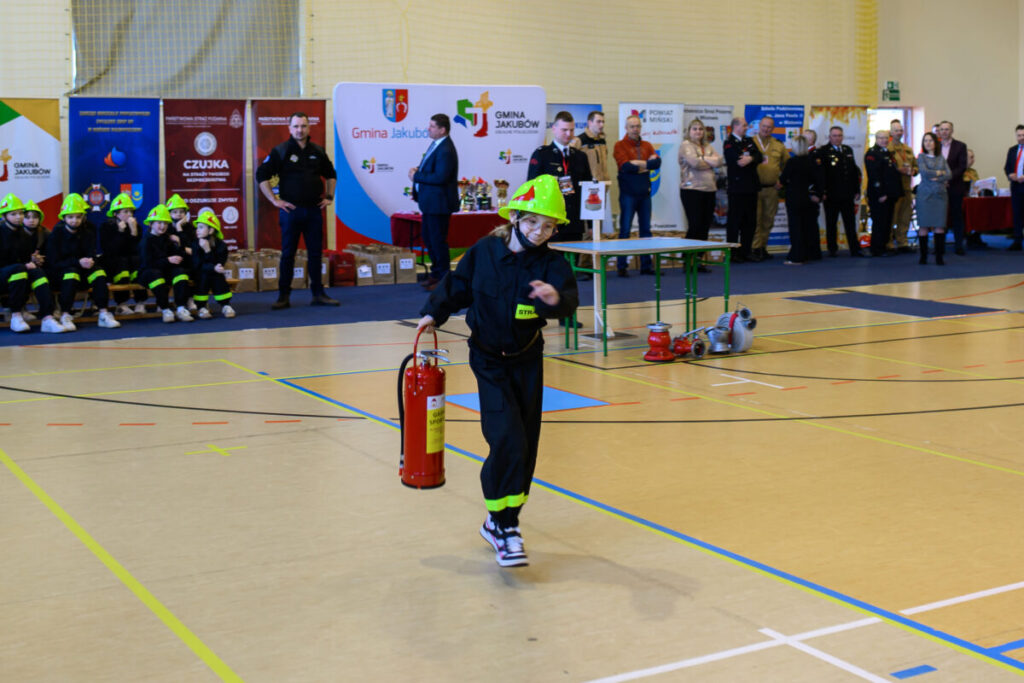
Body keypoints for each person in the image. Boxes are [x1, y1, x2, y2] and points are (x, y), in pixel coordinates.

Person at [415, 175, 578, 568]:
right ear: (517, 217)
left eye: (549, 226)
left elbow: (569, 300)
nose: (540, 232)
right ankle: (504, 529)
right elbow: (457, 286)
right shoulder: (485, 251)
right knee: (505, 437)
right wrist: (432, 314)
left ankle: (503, 521)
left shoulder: (552, 263)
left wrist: (555, 300)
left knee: (525, 445)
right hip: (488, 360)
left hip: (527, 359)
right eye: (533, 222)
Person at [256, 112, 339, 308]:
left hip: (313, 211)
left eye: (303, 126)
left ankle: (318, 294)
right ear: (289, 128)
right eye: (296, 126)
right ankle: (283, 296)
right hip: (290, 211)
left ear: (309, 128)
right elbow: (261, 175)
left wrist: (329, 197)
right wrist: (274, 200)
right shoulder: (281, 151)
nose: (299, 130)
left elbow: (331, 174)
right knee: (287, 254)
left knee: (316, 254)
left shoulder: (317, 151)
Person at [46, 193, 120, 330]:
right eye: (70, 217)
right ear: (64, 218)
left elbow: (91, 253)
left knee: (99, 273)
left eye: (78, 217)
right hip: (62, 273)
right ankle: (65, 315)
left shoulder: (88, 231)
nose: (75, 220)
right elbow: (54, 262)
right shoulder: (56, 234)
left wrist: (90, 261)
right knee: (71, 273)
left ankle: (103, 313)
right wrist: (77, 262)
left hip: (83, 269)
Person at [408, 113, 459, 292]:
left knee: (437, 240)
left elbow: (441, 176)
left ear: (442, 129)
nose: (428, 128)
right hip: (430, 203)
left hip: (439, 204)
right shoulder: (437, 145)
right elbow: (433, 170)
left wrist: (417, 176)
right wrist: (419, 170)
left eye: (432, 126)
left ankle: (443, 277)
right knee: (430, 239)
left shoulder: (446, 149)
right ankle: (436, 273)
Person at [0, 193, 64, 333]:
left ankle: (47, 317)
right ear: (4, 216)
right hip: (3, 275)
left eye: (20, 213)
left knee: (38, 273)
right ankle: (16, 315)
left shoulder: (23, 234)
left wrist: (34, 260)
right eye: (13, 214)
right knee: (19, 270)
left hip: (17, 272)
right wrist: (24, 265)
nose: (19, 217)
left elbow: (25, 258)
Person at [528, 111, 592, 241]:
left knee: (574, 260)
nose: (568, 134)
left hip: (574, 222)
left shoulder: (580, 156)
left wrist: (590, 224)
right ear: (554, 129)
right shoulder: (542, 155)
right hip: (550, 221)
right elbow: (532, 188)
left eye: (572, 130)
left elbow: (588, 190)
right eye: (564, 130)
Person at [613, 115, 661, 277]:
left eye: (638, 126)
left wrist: (639, 165)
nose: (635, 129)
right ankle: (621, 266)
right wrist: (646, 165)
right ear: (626, 128)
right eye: (632, 126)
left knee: (646, 231)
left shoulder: (647, 145)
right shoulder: (619, 145)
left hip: (644, 194)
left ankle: (646, 266)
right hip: (628, 194)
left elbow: (657, 164)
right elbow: (626, 167)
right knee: (625, 231)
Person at [678, 118, 723, 272]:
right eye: (695, 129)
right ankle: (687, 259)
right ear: (689, 131)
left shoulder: (707, 146)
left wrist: (703, 158)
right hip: (691, 190)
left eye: (700, 129)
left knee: (704, 227)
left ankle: (698, 260)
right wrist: (707, 161)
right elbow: (694, 163)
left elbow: (719, 161)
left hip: (709, 190)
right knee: (695, 225)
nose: (698, 131)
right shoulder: (686, 145)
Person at [139, 204, 194, 322]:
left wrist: (181, 246)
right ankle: (165, 309)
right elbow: (147, 263)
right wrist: (168, 260)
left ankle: (181, 308)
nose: (163, 226)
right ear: (151, 224)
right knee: (155, 275)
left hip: (165, 270)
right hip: (148, 273)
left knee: (181, 273)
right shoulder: (146, 241)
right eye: (159, 223)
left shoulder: (169, 239)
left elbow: (179, 254)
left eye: (165, 223)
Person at [816, 126, 863, 257]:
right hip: (831, 194)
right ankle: (832, 249)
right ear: (830, 137)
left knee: (850, 223)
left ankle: (855, 248)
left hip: (847, 194)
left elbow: (853, 171)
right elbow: (822, 174)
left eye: (840, 135)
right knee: (831, 223)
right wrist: (823, 192)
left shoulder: (848, 150)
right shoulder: (824, 151)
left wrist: (856, 189)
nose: (837, 138)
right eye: (835, 136)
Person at [723, 116, 763, 262]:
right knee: (735, 222)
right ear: (735, 126)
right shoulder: (729, 142)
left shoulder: (749, 141)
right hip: (737, 188)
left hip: (751, 187)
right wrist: (748, 159)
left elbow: (759, 156)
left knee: (750, 221)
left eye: (746, 125)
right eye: (744, 125)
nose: (746, 128)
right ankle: (733, 253)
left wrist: (751, 159)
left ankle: (746, 251)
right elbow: (736, 161)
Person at [99, 192, 145, 315]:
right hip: (112, 261)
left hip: (131, 259)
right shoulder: (106, 226)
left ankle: (140, 302)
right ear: (115, 214)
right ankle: (121, 304)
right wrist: (120, 232)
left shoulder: (136, 227)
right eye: (125, 211)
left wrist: (134, 232)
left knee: (138, 261)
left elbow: (137, 249)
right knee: (122, 263)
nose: (129, 214)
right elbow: (109, 250)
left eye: (131, 211)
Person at [778, 135, 821, 265]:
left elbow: (783, 180)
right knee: (808, 226)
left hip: (795, 198)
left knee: (796, 227)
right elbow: (819, 180)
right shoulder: (812, 161)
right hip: (808, 198)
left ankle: (796, 256)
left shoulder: (792, 162)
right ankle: (810, 253)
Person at [751, 116, 787, 261]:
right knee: (756, 219)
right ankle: (755, 248)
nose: (766, 129)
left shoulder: (778, 145)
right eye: (764, 126)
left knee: (768, 219)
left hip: (772, 189)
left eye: (769, 127)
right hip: (754, 189)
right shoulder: (750, 143)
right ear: (759, 126)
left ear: (773, 129)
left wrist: (782, 181)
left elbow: (787, 165)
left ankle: (763, 247)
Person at [190, 211, 236, 319]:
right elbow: (197, 265)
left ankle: (225, 305)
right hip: (199, 273)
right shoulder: (195, 244)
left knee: (216, 275)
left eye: (201, 227)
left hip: (215, 273)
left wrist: (207, 250)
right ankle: (201, 306)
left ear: (211, 230)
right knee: (204, 275)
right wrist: (212, 267)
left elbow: (219, 264)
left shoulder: (221, 245)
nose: (197, 230)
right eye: (197, 227)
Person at [864, 130, 903, 257]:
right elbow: (874, 176)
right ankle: (877, 248)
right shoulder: (872, 153)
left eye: (886, 138)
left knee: (887, 221)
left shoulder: (887, 152)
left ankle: (884, 245)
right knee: (879, 222)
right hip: (879, 195)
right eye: (881, 138)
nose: (884, 140)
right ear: (876, 139)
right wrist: (881, 193)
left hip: (890, 194)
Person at [916, 132, 951, 265]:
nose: (928, 143)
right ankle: (923, 257)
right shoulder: (921, 157)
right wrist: (939, 172)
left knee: (939, 226)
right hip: (925, 195)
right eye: (925, 141)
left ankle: (939, 257)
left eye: (930, 140)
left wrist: (940, 176)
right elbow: (924, 173)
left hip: (940, 195)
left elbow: (949, 174)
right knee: (923, 226)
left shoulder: (941, 158)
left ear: (935, 142)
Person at [937, 120, 968, 255]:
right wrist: (939, 180)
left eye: (947, 129)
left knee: (957, 216)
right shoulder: (934, 146)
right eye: (942, 129)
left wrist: (948, 178)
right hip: (937, 187)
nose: (944, 132)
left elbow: (962, 167)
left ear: (952, 131)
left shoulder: (960, 146)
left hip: (955, 186)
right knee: (939, 217)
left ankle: (958, 245)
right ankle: (939, 246)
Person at [889, 120, 918, 253]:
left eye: (900, 130)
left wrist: (914, 171)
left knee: (905, 217)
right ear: (891, 132)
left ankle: (902, 242)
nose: (899, 133)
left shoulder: (908, 149)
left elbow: (916, 166)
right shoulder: (887, 148)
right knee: (891, 217)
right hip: (893, 188)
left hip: (907, 187)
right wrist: (897, 170)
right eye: (896, 130)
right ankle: (889, 243)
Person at [571, 110, 609, 182]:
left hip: (603, 183)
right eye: (598, 121)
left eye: (603, 122)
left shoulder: (602, 141)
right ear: (589, 122)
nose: (602, 125)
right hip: (588, 184)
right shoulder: (580, 140)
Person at [1003, 124, 1024, 251]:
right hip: (1015, 186)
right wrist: (1010, 175)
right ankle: (1017, 240)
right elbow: (1007, 166)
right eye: (1019, 135)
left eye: (1023, 135)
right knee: (1017, 214)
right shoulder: (1012, 150)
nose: (1021, 138)